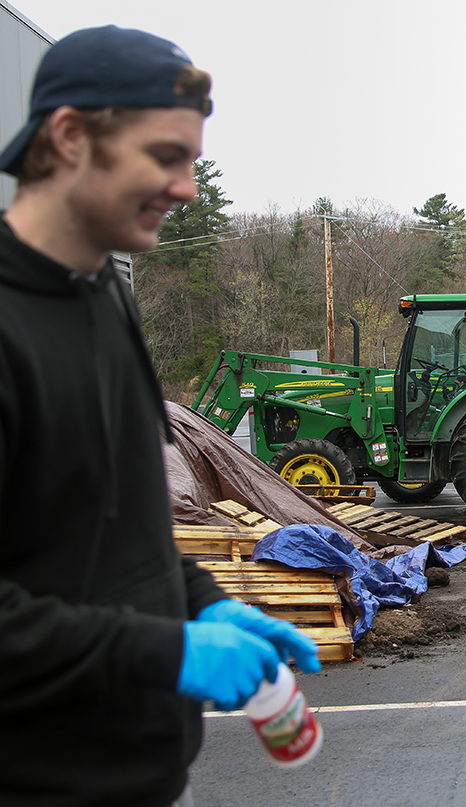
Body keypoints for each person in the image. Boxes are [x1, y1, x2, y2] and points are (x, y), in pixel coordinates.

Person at [0, 26, 320, 806]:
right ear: (71, 135)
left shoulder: (104, 294)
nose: (186, 189)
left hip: (140, 779)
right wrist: (164, 648)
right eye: (165, 156)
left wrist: (204, 603)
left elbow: (117, 530)